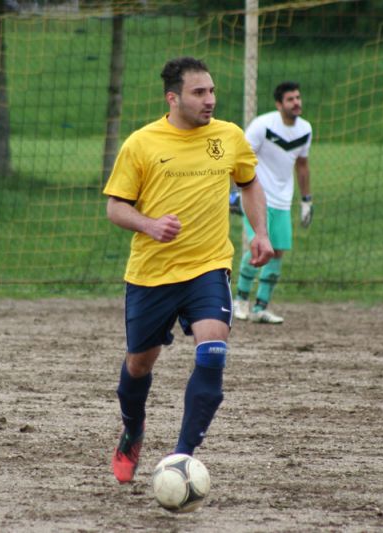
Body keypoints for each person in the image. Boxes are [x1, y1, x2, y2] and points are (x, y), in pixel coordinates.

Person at [103, 56, 273, 484]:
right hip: (152, 274)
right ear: (173, 98)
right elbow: (115, 207)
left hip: (208, 267)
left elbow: (249, 182)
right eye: (199, 93)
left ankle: (181, 458)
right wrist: (149, 224)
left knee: (213, 350)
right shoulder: (141, 144)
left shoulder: (229, 136)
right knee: (138, 365)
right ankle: (133, 430)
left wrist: (260, 232)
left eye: (211, 91)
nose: (209, 99)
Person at [233, 81, 313, 324]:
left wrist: (306, 200)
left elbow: (302, 165)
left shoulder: (305, 129)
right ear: (279, 104)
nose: (296, 102)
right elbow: (240, 158)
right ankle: (240, 301)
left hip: (283, 200)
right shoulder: (262, 125)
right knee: (258, 248)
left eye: (298, 97)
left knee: (277, 252)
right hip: (257, 197)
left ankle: (260, 308)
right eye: (290, 99)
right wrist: (235, 193)